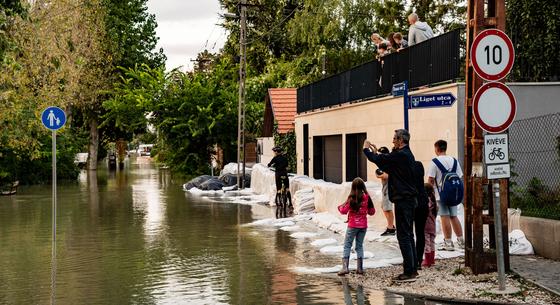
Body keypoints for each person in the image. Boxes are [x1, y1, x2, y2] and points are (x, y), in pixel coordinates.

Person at [363, 129, 418, 282]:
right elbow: (387, 161)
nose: (392, 141)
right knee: (408, 234)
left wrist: (365, 149)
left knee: (403, 236)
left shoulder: (401, 155)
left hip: (403, 200)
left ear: (401, 140)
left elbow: (379, 160)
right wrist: (377, 153)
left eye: (394, 138)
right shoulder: (406, 154)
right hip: (409, 199)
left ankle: (408, 273)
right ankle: (413, 269)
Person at [427, 140, 464, 251]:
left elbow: (431, 180)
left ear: (437, 149)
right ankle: (461, 241)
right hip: (453, 193)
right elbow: (459, 176)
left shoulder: (434, 162)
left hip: (440, 195)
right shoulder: (454, 161)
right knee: (454, 216)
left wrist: (429, 194)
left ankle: (448, 242)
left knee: (444, 216)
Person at [337, 177, 376, 276]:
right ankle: (360, 268)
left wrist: (339, 207)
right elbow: (372, 212)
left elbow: (343, 211)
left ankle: (345, 267)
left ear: (353, 187)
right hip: (363, 226)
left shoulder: (352, 198)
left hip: (352, 226)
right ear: (363, 186)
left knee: (347, 245)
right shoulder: (367, 197)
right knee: (359, 246)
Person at [376, 147, 396, 236]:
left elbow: (388, 176)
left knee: (388, 208)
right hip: (385, 188)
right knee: (384, 207)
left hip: (389, 189)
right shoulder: (385, 163)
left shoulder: (389, 164)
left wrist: (380, 175)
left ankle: (390, 228)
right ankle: (391, 226)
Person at [413, 161, 429, 270]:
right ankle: (418, 260)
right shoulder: (422, 187)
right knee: (420, 233)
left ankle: (411, 259)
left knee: (408, 233)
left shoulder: (409, 183)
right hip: (422, 204)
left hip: (412, 203)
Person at [422, 183, 438, 267]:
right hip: (433, 225)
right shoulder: (434, 201)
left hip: (426, 225)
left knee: (426, 243)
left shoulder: (427, 201)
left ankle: (427, 260)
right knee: (432, 242)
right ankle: (432, 259)